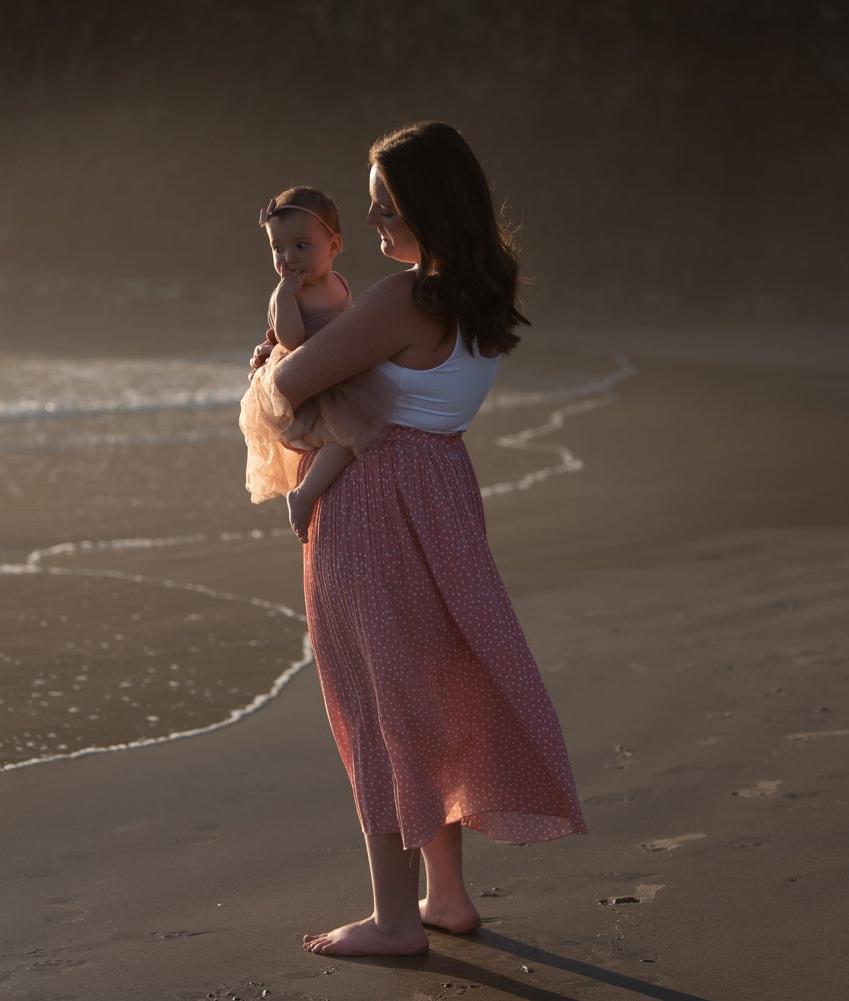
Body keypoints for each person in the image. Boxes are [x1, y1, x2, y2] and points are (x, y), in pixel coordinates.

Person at [247, 122, 587, 958]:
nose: (370, 225)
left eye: (383, 207)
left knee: (375, 703)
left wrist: (268, 358)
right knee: (427, 688)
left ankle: (397, 919)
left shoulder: (402, 298)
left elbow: (291, 385)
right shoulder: (482, 289)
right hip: (443, 490)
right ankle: (447, 895)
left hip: (375, 499)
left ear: (428, 206)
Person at [238, 186, 397, 542]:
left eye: (301, 246)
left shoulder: (339, 283)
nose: (288, 258)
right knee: (344, 438)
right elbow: (292, 340)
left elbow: (349, 323)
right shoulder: (285, 294)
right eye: (277, 248)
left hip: (338, 374)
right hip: (312, 386)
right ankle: (305, 493)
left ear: (334, 247)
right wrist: (286, 297)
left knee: (361, 431)